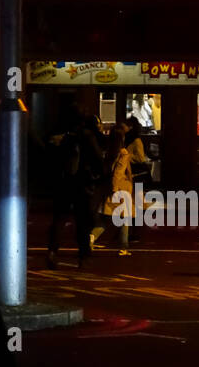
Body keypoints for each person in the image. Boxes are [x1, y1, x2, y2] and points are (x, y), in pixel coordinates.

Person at [46, 106, 103, 269]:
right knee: (83, 222)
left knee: (59, 220)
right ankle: (83, 257)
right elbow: (97, 158)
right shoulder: (86, 136)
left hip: (62, 183)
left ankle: (52, 251)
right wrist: (97, 175)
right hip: (81, 184)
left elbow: (47, 157)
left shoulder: (58, 137)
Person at [100, 126, 136, 256]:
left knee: (106, 220)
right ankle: (123, 247)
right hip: (122, 189)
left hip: (113, 188)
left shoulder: (110, 151)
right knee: (125, 219)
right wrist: (115, 188)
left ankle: (91, 237)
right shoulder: (123, 153)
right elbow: (119, 172)